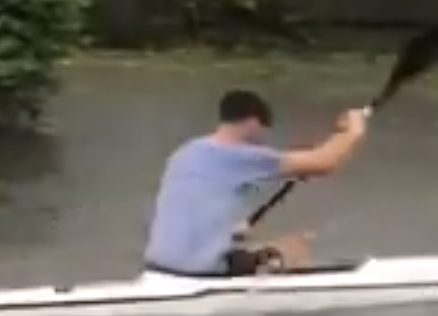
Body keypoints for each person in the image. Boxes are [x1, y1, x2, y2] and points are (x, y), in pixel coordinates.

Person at [143, 89, 369, 277]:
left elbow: (193, 205)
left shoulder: (187, 152)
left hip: (158, 265)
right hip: (198, 271)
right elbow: (325, 162)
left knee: (254, 248)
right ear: (253, 123)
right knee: (292, 249)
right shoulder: (243, 154)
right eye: (264, 130)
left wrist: (231, 231)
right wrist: (354, 129)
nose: (263, 139)